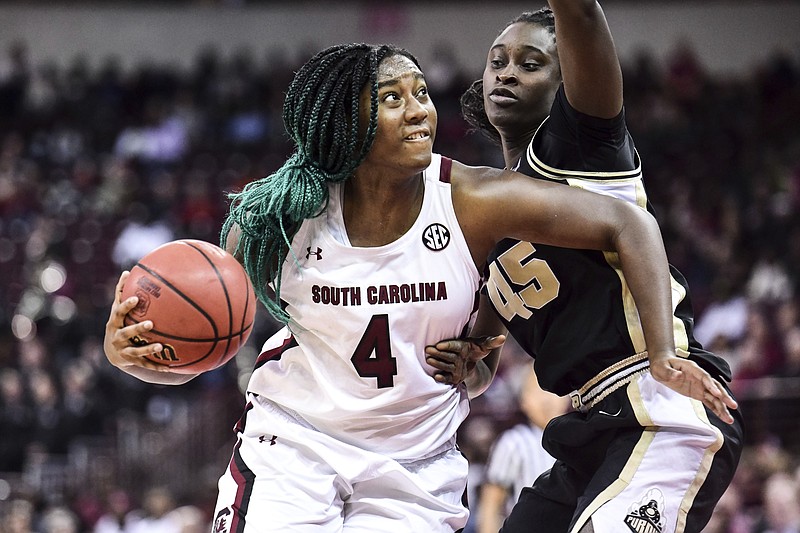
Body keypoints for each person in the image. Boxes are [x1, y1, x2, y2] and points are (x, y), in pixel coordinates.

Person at [103, 42, 730, 532]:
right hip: (295, 443)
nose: (419, 109)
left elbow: (627, 221)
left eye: (421, 92)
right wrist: (126, 352)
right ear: (346, 121)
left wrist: (661, 351)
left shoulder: (472, 201)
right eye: (392, 97)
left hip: (415, 465)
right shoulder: (278, 212)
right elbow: (199, 345)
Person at [427, 2, 744, 532]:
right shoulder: (487, 209)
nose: (507, 71)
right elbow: (482, 359)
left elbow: (581, 14)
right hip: (591, 430)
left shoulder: (583, 147)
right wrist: (468, 365)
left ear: (567, 80)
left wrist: (663, 352)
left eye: (530, 63)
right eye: (497, 61)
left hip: (662, 405)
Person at [477, 361, 568, 533]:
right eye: (538, 391)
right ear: (523, 401)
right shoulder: (513, 441)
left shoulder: (578, 441)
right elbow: (491, 504)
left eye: (555, 391)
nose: (547, 400)